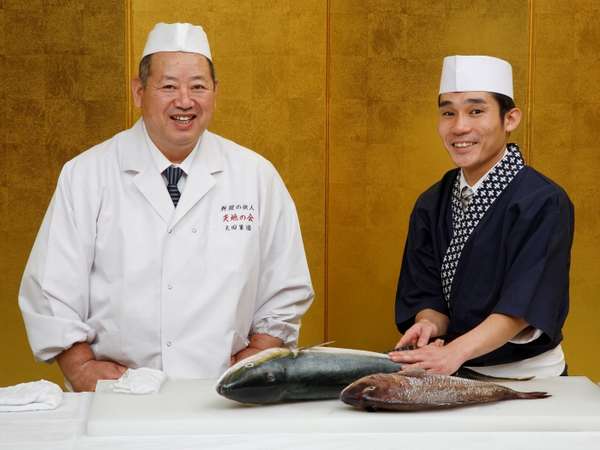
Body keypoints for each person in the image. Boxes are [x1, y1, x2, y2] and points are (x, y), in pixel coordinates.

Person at [18, 23, 314, 391]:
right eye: (169, 86)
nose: (185, 101)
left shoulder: (255, 175)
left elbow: (287, 284)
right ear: (139, 92)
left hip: (225, 393)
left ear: (216, 93)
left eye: (198, 87)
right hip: (119, 394)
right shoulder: (86, 173)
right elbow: (50, 286)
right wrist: (80, 367)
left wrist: (261, 350)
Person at [389, 55, 574, 378]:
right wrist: (428, 325)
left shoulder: (544, 201)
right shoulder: (431, 202)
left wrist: (453, 353)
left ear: (510, 119)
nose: (460, 126)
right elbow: (426, 292)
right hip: (451, 369)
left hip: (528, 376)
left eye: (476, 111)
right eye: (448, 113)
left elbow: (522, 307)